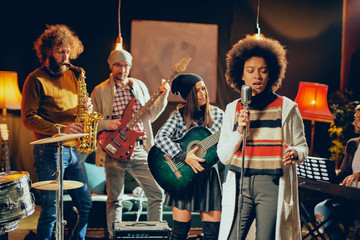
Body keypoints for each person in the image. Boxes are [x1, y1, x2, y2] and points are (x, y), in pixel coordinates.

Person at [217, 35, 308, 240]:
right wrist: (239, 132)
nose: (257, 76)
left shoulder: (287, 108)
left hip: (272, 184)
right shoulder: (233, 109)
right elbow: (223, 156)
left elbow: (303, 148)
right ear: (241, 75)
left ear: (271, 74)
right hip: (240, 182)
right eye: (250, 71)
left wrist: (294, 153)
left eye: (263, 70)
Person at [21, 24, 92, 240]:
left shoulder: (75, 75)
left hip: (73, 151)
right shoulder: (35, 79)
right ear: (48, 51)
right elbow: (28, 118)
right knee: (51, 211)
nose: (66, 55)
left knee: (86, 205)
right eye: (61, 51)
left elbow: (74, 109)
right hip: (48, 152)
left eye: (69, 51)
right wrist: (61, 129)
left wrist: (85, 108)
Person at [90, 49, 170, 239]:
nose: (123, 69)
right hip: (112, 150)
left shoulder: (139, 86)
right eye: (118, 65)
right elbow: (90, 120)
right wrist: (107, 124)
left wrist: (163, 96)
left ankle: (154, 234)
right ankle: (113, 235)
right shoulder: (99, 90)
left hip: (139, 149)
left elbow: (150, 115)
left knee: (156, 193)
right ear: (111, 66)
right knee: (114, 199)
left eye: (126, 66)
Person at [154, 73, 224, 240]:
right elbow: (160, 138)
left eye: (203, 89)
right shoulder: (178, 116)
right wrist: (183, 155)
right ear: (188, 96)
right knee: (179, 234)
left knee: (212, 235)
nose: (203, 94)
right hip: (181, 177)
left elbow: (222, 145)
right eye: (197, 91)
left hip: (208, 177)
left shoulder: (219, 115)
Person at [314, 104, 360, 240]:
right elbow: (342, 175)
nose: (354, 123)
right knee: (321, 209)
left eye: (358, 119)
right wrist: (326, 173)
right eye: (354, 118)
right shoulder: (353, 144)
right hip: (348, 199)